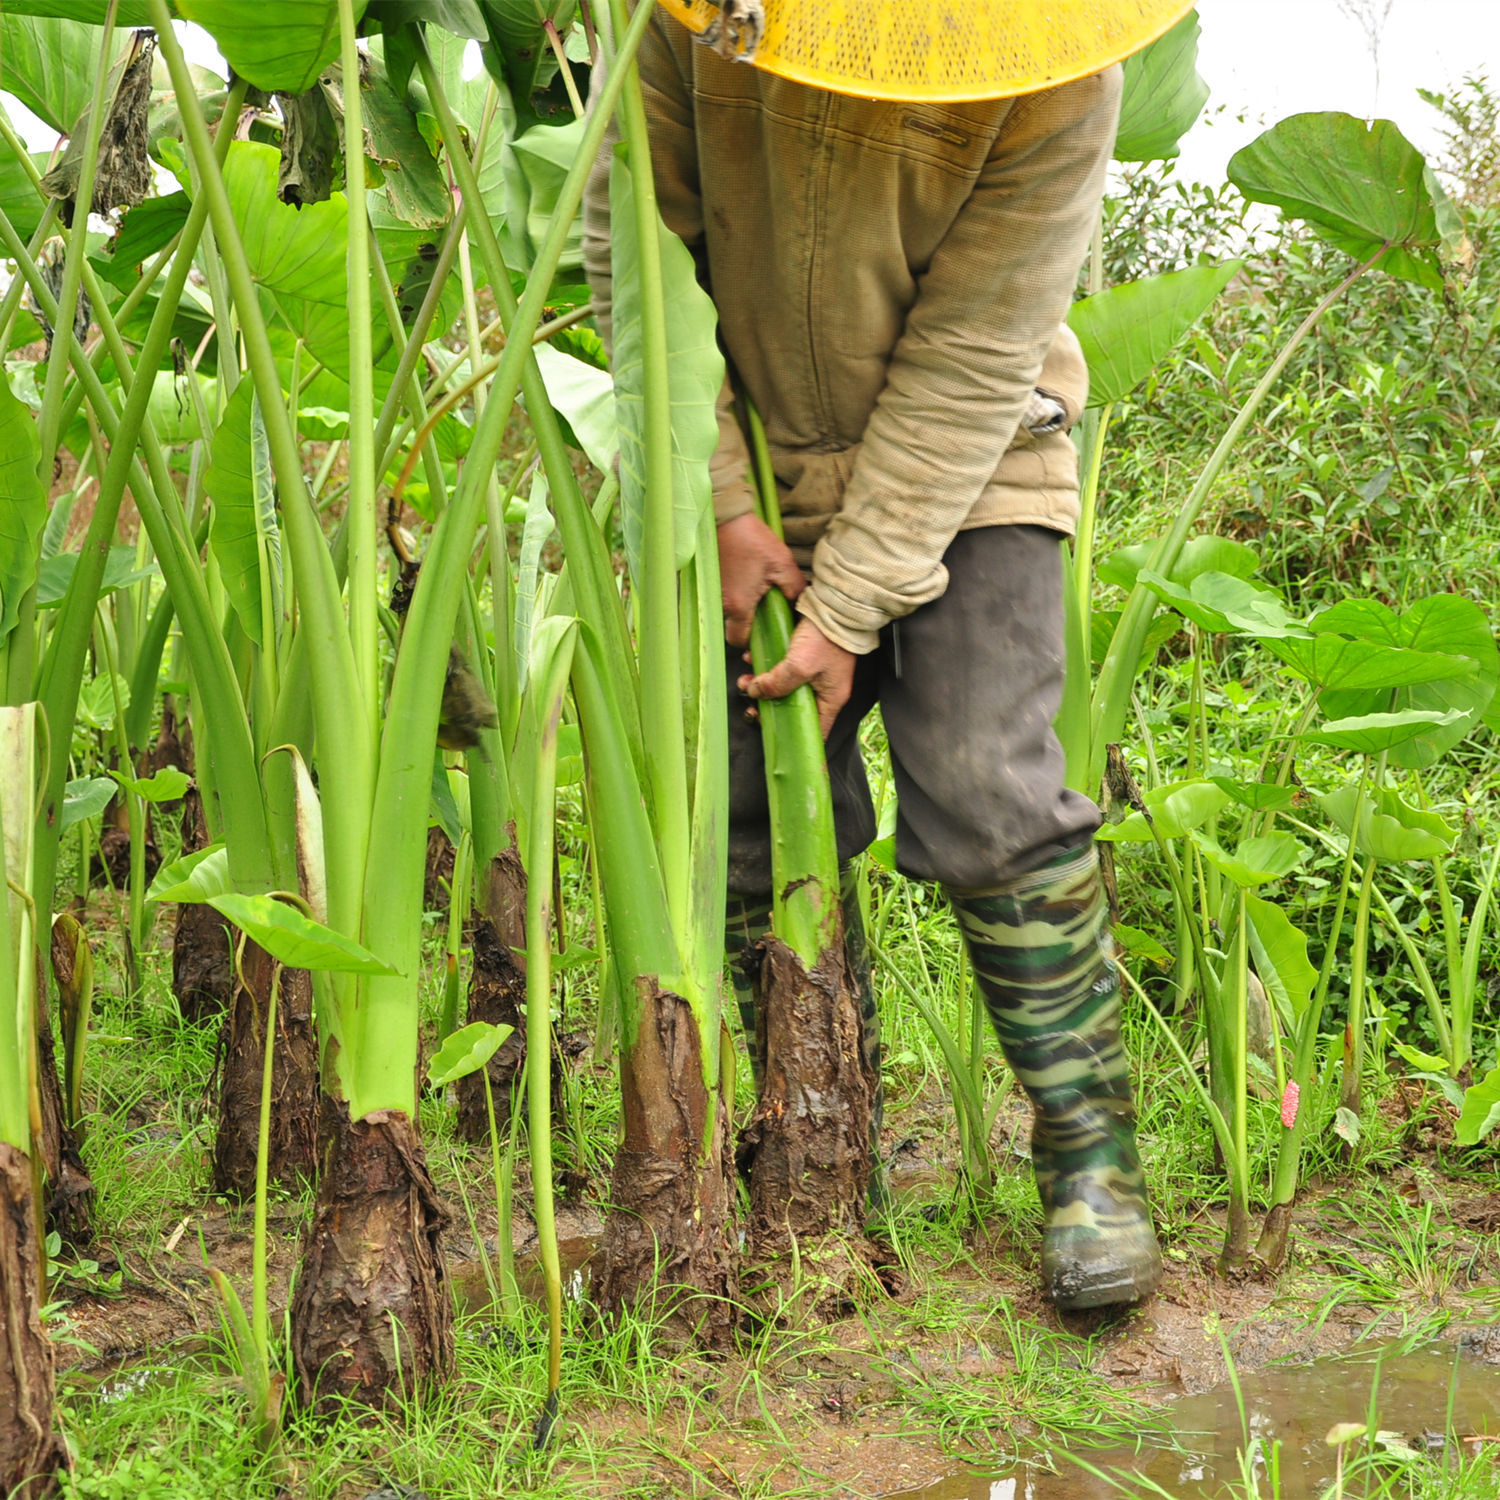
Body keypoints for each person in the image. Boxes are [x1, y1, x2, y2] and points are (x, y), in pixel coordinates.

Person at [583, 0, 1189, 1310]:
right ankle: (815, 1153)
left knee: (987, 789)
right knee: (742, 813)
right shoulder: (701, 21)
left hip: (978, 462)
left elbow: (975, 356)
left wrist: (849, 603)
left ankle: (1091, 1161)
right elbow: (631, 244)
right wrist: (725, 502)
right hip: (740, 438)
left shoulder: (1051, 63)